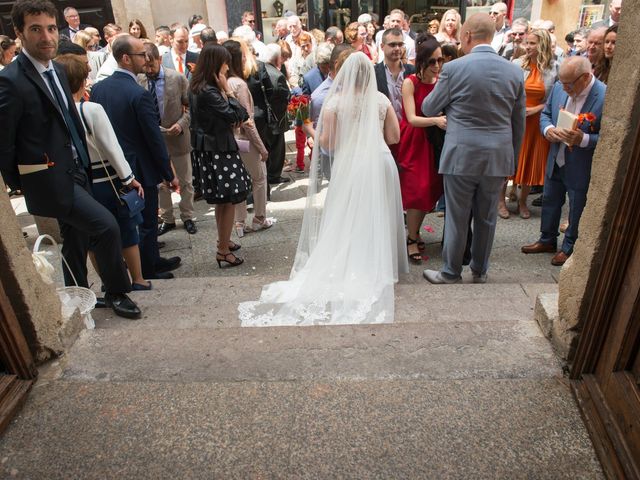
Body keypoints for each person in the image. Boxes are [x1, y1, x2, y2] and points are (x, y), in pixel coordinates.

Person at [239, 52, 408, 327]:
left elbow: (328, 144)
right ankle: (378, 267)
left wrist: (308, 128)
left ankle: (353, 266)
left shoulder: (336, 103)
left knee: (348, 217)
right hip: (380, 162)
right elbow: (394, 137)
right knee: (378, 213)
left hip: (352, 164)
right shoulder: (381, 100)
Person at [0, 0, 141, 318]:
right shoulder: (11, 81)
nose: (46, 37)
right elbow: (4, 144)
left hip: (78, 169)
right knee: (106, 227)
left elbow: (70, 118)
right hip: (50, 179)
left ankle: (78, 296)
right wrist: (24, 182)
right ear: (19, 32)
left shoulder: (60, 70)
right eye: (36, 29)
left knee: (75, 238)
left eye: (51, 28)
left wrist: (83, 164)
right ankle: (117, 292)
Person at [422, 13, 526, 284]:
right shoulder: (514, 71)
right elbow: (518, 122)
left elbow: (429, 108)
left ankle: (450, 272)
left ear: (467, 35)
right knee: (487, 216)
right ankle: (479, 270)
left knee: (457, 216)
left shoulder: (454, 69)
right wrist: (511, 160)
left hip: (461, 154)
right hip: (497, 156)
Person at [55, 53, 151, 291]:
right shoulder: (91, 109)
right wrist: (129, 178)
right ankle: (137, 279)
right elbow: (112, 147)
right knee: (127, 231)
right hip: (108, 178)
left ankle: (109, 282)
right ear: (81, 79)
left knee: (94, 238)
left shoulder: (57, 112)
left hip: (82, 185)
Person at [90, 35, 181, 280]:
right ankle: (147, 269)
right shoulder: (138, 94)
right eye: (142, 54)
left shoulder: (99, 88)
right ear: (126, 58)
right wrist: (168, 173)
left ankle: (152, 260)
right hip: (139, 167)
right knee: (146, 221)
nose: (147, 58)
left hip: (111, 166)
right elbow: (154, 139)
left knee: (133, 220)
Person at [521, 56, 606, 266]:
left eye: (569, 84)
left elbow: (611, 136)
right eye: (562, 82)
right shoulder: (560, 87)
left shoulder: (604, 95)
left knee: (577, 205)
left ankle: (569, 247)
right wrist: (548, 130)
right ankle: (547, 239)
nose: (564, 87)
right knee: (550, 199)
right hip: (556, 156)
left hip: (580, 163)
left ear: (586, 78)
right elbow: (546, 113)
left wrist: (584, 139)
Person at [189, 43, 250, 268]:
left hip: (209, 152)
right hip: (219, 152)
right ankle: (223, 251)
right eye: (225, 63)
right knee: (229, 200)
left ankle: (223, 241)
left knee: (223, 202)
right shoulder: (209, 90)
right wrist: (229, 91)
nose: (227, 67)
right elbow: (240, 115)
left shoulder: (196, 86)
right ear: (216, 64)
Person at [499, 29, 558, 220]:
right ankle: (501, 200)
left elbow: (553, 100)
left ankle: (522, 201)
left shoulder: (553, 69)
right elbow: (506, 93)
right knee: (508, 160)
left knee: (529, 161)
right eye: (528, 43)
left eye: (533, 43)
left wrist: (536, 109)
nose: (528, 47)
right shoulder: (516, 64)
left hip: (536, 122)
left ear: (543, 45)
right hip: (514, 120)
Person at [140, 42, 197, 236]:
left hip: (178, 138)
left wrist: (181, 123)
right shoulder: (140, 80)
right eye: (145, 66)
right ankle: (167, 218)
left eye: (151, 66)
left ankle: (188, 216)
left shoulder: (178, 78)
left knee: (186, 181)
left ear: (158, 59)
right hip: (153, 141)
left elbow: (190, 107)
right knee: (160, 183)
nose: (148, 70)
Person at [397, 34, 445, 264]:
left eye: (440, 60)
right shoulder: (410, 82)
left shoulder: (441, 80)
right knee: (417, 190)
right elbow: (412, 118)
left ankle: (414, 233)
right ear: (422, 62)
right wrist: (436, 120)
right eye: (433, 61)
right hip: (414, 141)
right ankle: (411, 237)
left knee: (429, 190)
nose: (437, 66)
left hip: (434, 142)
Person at [223, 39, 271, 238]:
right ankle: (259, 218)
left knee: (240, 180)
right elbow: (247, 121)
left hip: (231, 140)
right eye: (242, 55)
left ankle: (240, 222)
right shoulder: (239, 84)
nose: (246, 58)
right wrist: (262, 148)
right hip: (244, 140)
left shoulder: (223, 82)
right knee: (259, 178)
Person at [263, 43, 291, 186]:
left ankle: (269, 174)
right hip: (276, 118)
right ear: (277, 58)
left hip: (264, 119)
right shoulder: (277, 75)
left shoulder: (259, 69)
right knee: (277, 149)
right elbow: (285, 95)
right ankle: (274, 175)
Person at [374, 28, 416, 123]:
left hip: (408, 130)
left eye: (400, 44)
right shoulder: (374, 73)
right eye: (392, 45)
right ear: (382, 46)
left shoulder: (412, 71)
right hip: (384, 130)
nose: (397, 48)